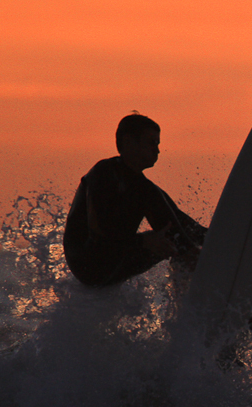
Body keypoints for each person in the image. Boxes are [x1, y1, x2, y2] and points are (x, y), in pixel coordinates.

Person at [63, 113, 207, 287]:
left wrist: (215, 237)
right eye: (151, 143)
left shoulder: (146, 189)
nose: (157, 150)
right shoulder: (104, 174)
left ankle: (195, 295)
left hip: (117, 260)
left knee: (176, 242)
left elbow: (178, 223)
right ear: (129, 142)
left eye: (158, 144)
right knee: (166, 240)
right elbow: (100, 230)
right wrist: (144, 241)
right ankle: (201, 265)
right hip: (88, 261)